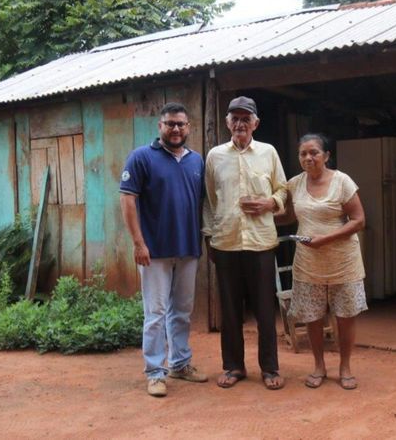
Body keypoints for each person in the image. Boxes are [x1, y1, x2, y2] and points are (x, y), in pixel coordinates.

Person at [120, 102, 207, 397]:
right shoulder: (142, 157)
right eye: (170, 123)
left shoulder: (197, 161)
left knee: (182, 311)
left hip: (188, 248)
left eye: (181, 124)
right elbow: (128, 200)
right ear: (160, 126)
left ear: (189, 128)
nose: (176, 129)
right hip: (153, 251)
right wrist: (138, 243)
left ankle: (180, 364)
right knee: (155, 312)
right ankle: (155, 372)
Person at [203, 96, 287, 390]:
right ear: (227, 123)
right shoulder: (214, 156)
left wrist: (270, 202)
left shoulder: (269, 152)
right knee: (230, 310)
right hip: (225, 242)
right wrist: (209, 237)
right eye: (234, 118)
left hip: (261, 243)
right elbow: (210, 201)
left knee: (265, 310)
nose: (240, 124)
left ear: (255, 123)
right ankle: (234, 366)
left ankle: (270, 368)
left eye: (245, 118)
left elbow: (283, 190)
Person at [276, 133, 368, 390]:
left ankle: (345, 367)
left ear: (326, 155)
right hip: (308, 262)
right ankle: (319, 366)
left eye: (314, 152)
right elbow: (289, 216)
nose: (308, 158)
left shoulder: (342, 182)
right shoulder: (294, 184)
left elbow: (359, 220)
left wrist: (326, 238)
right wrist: (262, 215)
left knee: (345, 316)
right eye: (303, 153)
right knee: (312, 316)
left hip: (343, 262)